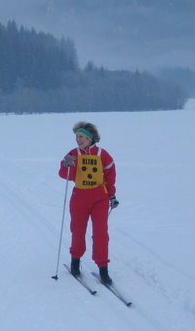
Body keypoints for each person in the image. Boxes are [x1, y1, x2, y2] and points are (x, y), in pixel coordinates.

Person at [58, 121, 119, 285]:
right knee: (77, 230)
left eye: (82, 136)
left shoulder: (102, 154)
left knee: (100, 233)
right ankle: (75, 262)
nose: (78, 139)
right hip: (79, 198)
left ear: (90, 138)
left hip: (100, 198)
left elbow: (110, 176)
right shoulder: (73, 154)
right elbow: (65, 175)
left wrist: (112, 196)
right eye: (77, 136)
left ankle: (103, 270)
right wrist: (66, 164)